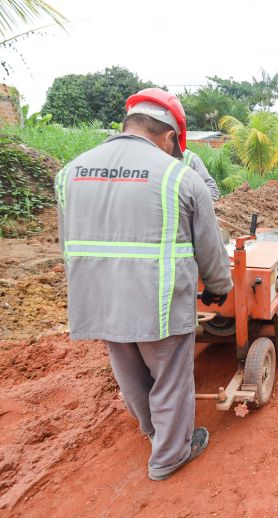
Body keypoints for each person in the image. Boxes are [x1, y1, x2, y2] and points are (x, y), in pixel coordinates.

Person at [54, 88, 233, 480]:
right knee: (170, 379)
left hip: (99, 301)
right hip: (159, 301)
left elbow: (68, 244)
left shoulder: (70, 172)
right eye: (175, 145)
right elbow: (211, 249)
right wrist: (219, 288)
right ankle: (169, 457)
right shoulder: (179, 176)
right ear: (170, 136)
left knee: (129, 373)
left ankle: (152, 432)